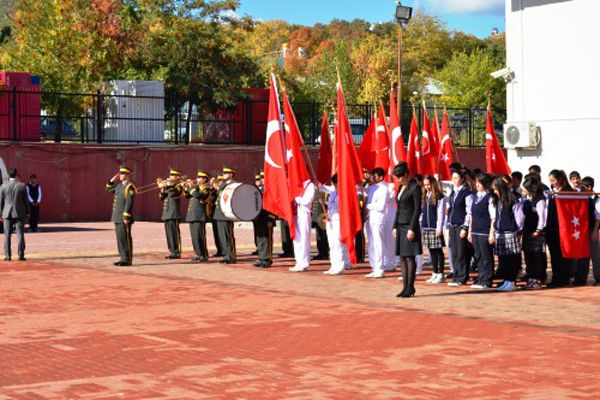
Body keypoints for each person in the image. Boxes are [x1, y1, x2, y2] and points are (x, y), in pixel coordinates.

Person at [394, 162, 422, 298]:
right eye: (396, 177)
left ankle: (410, 287)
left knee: (410, 258)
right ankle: (405, 287)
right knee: (403, 258)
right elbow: (398, 209)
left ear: (406, 174)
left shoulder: (415, 188)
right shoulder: (401, 188)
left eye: (400, 177)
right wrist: (395, 225)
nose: (398, 180)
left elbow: (417, 210)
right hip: (400, 225)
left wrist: (412, 228)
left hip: (410, 226)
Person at [492, 177, 525, 291]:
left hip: (510, 232)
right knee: (503, 259)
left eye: (496, 189)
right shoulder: (498, 200)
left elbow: (519, 217)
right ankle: (506, 280)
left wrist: (518, 230)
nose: (495, 192)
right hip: (500, 233)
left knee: (512, 258)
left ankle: (511, 281)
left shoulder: (512, 199)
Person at [468, 173, 496, 289]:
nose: (477, 185)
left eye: (479, 183)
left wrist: (491, 233)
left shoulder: (490, 198)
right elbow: (471, 216)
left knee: (486, 256)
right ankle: (481, 276)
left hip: (485, 231)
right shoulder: (474, 197)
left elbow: (493, 217)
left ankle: (487, 279)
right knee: (478, 256)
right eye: (476, 182)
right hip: (475, 231)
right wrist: (470, 231)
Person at [546, 170, 574, 287]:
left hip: (563, 229)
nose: (552, 183)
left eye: (553, 180)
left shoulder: (568, 192)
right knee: (554, 255)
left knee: (564, 255)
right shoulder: (552, 192)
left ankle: (564, 279)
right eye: (550, 181)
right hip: (551, 228)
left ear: (560, 180)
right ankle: (556, 278)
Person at [447, 169, 473, 287]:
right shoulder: (453, 192)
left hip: (461, 225)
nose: (454, 180)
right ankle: (456, 275)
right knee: (455, 252)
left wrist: (465, 227)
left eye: (456, 178)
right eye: (453, 178)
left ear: (462, 179)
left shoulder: (467, 192)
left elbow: (469, 211)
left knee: (462, 252)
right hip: (452, 225)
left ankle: (462, 276)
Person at [105, 167, 136, 266]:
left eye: (122, 174)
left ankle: (127, 259)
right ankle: (122, 257)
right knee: (120, 239)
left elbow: (129, 202)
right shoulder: (119, 186)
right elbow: (108, 189)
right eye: (120, 174)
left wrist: (126, 216)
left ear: (128, 175)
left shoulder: (129, 187)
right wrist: (112, 180)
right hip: (117, 216)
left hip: (124, 217)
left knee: (125, 238)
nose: (120, 175)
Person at [521, 174, 548, 289]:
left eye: (525, 189)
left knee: (536, 257)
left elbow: (542, 217)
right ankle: (531, 278)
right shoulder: (527, 199)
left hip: (536, 233)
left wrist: (538, 230)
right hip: (527, 231)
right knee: (528, 257)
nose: (524, 191)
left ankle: (538, 279)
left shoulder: (540, 200)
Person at [321, 175, 350, 275]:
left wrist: (327, 203)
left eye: (335, 183)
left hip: (339, 219)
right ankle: (333, 265)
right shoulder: (333, 191)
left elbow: (340, 207)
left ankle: (340, 266)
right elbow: (322, 187)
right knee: (332, 244)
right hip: (331, 220)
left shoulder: (344, 192)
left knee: (338, 243)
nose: (334, 185)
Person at [421, 175, 447, 284]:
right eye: (425, 185)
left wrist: (439, 228)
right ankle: (434, 272)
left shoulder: (439, 196)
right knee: (431, 251)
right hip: (426, 226)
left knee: (438, 250)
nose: (427, 187)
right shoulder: (425, 196)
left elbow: (440, 213)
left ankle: (441, 273)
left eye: (429, 184)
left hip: (435, 227)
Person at [0, 168, 29, 261]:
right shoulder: (22, 186)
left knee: (7, 235)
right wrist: (28, 212)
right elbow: (26, 201)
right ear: (17, 175)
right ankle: (21, 255)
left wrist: (0, 214)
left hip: (6, 213)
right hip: (19, 213)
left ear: (9, 176)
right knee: (20, 234)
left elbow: (0, 202)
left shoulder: (3, 186)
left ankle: (8, 256)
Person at [364, 167, 388, 278]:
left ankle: (380, 268)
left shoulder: (384, 189)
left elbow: (381, 206)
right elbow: (362, 190)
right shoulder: (373, 187)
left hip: (378, 219)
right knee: (372, 243)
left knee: (378, 243)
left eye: (375, 176)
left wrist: (368, 206)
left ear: (381, 177)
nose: (373, 178)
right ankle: (374, 266)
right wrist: (363, 181)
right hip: (370, 218)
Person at [185, 171, 212, 263]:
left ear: (205, 179)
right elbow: (188, 196)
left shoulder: (206, 188)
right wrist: (186, 188)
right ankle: (198, 254)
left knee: (200, 236)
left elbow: (199, 196)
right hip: (192, 215)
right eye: (197, 177)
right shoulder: (196, 188)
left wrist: (192, 187)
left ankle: (203, 255)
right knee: (194, 237)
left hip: (199, 215)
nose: (197, 179)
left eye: (200, 178)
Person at [289, 180, 316, 272]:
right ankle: (298, 261)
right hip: (295, 213)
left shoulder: (310, 185)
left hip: (304, 213)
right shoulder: (296, 184)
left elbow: (306, 200)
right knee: (296, 238)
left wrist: (296, 198)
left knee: (304, 237)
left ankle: (304, 262)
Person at [213, 167, 237, 264]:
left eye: (226, 173)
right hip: (219, 213)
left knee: (227, 236)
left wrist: (219, 187)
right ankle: (226, 254)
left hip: (227, 213)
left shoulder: (233, 184)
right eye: (223, 173)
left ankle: (231, 256)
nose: (224, 174)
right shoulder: (224, 184)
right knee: (222, 236)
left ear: (231, 174)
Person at [253, 172, 276, 268]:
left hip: (267, 218)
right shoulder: (259, 189)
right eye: (261, 178)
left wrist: (271, 219)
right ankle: (261, 257)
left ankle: (267, 259)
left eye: (264, 178)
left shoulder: (271, 190)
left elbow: (274, 205)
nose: (262, 179)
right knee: (259, 238)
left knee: (266, 239)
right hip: (259, 217)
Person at [159, 169, 184, 259]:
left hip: (173, 212)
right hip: (166, 212)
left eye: (173, 176)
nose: (170, 177)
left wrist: (169, 186)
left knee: (174, 233)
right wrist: (162, 188)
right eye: (170, 175)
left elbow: (175, 193)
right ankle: (171, 250)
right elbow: (162, 197)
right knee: (168, 233)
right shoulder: (169, 186)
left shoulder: (179, 186)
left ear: (177, 177)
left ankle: (176, 251)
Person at [581, 177, 600, 286]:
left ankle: (598, 277)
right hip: (583, 230)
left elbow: (598, 216)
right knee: (583, 255)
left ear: (589, 187)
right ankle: (581, 277)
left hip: (592, 229)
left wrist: (595, 231)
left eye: (583, 188)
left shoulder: (597, 199)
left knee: (595, 254)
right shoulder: (583, 198)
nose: (581, 190)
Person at [210, 175, 224, 257]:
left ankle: (226, 251)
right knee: (216, 233)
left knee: (223, 234)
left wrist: (218, 188)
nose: (219, 182)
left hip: (223, 214)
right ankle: (219, 250)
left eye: (221, 180)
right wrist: (212, 187)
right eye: (218, 180)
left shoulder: (224, 189)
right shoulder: (215, 190)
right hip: (215, 214)